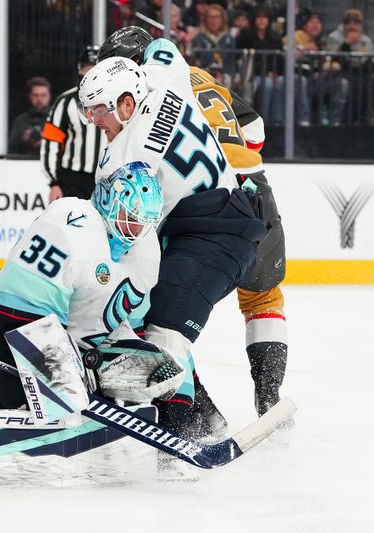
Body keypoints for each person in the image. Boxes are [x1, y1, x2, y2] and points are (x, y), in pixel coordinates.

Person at [0, 162, 170, 491]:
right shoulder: (74, 219)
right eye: (128, 217)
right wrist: (67, 372)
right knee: (64, 407)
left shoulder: (142, 253)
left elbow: (129, 322)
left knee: (150, 367)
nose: (134, 230)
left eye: (143, 222)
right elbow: (12, 303)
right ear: (109, 201)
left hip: (64, 345)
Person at [98, 26, 291, 434]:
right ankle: (269, 397)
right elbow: (254, 127)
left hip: (203, 204)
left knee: (160, 306)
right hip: (254, 187)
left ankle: (197, 412)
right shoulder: (198, 74)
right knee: (263, 299)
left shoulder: (149, 95)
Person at [40, 45, 104, 203]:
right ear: (79, 69)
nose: (88, 73)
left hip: (107, 179)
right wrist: (54, 183)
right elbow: (50, 143)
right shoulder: (65, 101)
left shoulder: (116, 100)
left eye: (93, 68)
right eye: (85, 68)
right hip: (73, 180)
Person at [324, 9, 374, 126]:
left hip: (361, 72)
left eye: (356, 23)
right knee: (351, 84)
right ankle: (346, 120)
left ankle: (364, 118)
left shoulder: (366, 41)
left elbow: (373, 60)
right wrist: (347, 43)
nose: (352, 26)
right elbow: (334, 58)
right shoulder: (334, 37)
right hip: (340, 71)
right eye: (348, 22)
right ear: (343, 24)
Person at [237, 7, 285, 125]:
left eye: (264, 18)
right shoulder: (246, 34)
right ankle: (264, 119)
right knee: (267, 84)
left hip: (271, 73)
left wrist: (275, 72)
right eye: (259, 17)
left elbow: (279, 59)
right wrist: (266, 72)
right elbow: (243, 57)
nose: (261, 21)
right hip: (252, 73)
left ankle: (277, 119)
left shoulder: (275, 37)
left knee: (281, 82)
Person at [191, 4, 238, 86]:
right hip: (203, 76)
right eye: (210, 17)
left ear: (222, 19)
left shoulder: (228, 38)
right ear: (205, 19)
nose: (214, 20)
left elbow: (231, 60)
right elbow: (195, 60)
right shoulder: (198, 38)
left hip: (225, 77)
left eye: (217, 17)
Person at [8, 76, 52, 155]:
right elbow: (10, 151)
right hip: (24, 163)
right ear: (29, 96)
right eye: (35, 95)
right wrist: (23, 140)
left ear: (49, 96)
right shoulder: (20, 121)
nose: (39, 99)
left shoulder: (58, 119)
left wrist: (48, 142)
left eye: (43, 95)